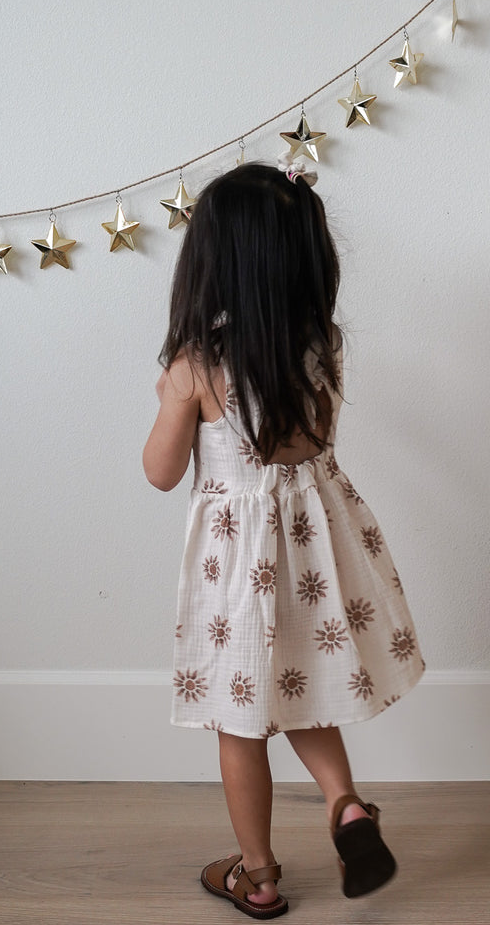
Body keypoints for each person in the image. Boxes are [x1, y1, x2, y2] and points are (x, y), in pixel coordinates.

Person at [143, 160, 424, 919]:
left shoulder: (198, 364)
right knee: (304, 694)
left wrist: (175, 397)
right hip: (313, 558)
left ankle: (259, 874)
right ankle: (346, 805)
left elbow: (161, 473)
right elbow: (312, 446)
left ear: (214, 264)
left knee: (243, 723)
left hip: (239, 574)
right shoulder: (320, 344)